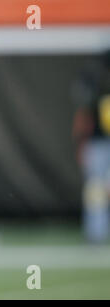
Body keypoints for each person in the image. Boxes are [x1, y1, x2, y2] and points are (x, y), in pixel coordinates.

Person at [72, 50, 110, 244]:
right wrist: (83, 143)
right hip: (98, 143)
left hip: (98, 144)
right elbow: (84, 114)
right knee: (96, 189)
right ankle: (96, 233)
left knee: (98, 189)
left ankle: (97, 232)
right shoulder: (96, 80)